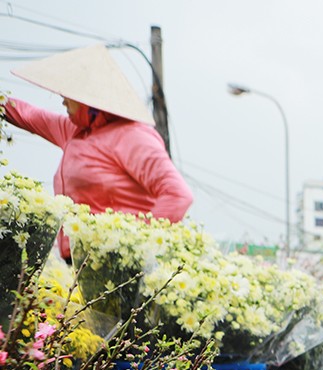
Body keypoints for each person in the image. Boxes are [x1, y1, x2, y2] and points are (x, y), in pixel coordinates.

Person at [1, 43, 193, 260]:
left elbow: (177, 195)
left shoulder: (132, 136)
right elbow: (29, 115)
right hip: (78, 262)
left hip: (117, 264)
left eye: (68, 93)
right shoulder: (74, 131)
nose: (62, 99)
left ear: (88, 100)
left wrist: (139, 249)